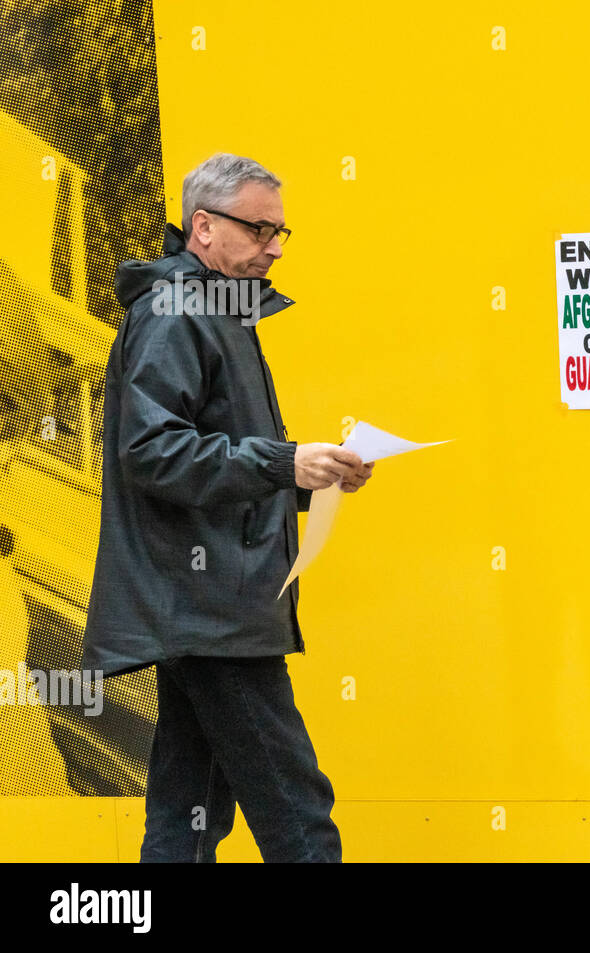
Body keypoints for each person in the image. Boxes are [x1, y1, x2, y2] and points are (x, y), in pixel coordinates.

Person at [81, 153, 373, 862]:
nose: (275, 247)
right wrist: (282, 461)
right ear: (203, 226)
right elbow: (151, 452)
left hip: (209, 606)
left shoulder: (216, 313)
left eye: (281, 232)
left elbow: (212, 455)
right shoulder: (177, 315)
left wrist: (311, 475)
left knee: (186, 818)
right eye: (260, 229)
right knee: (299, 815)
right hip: (210, 609)